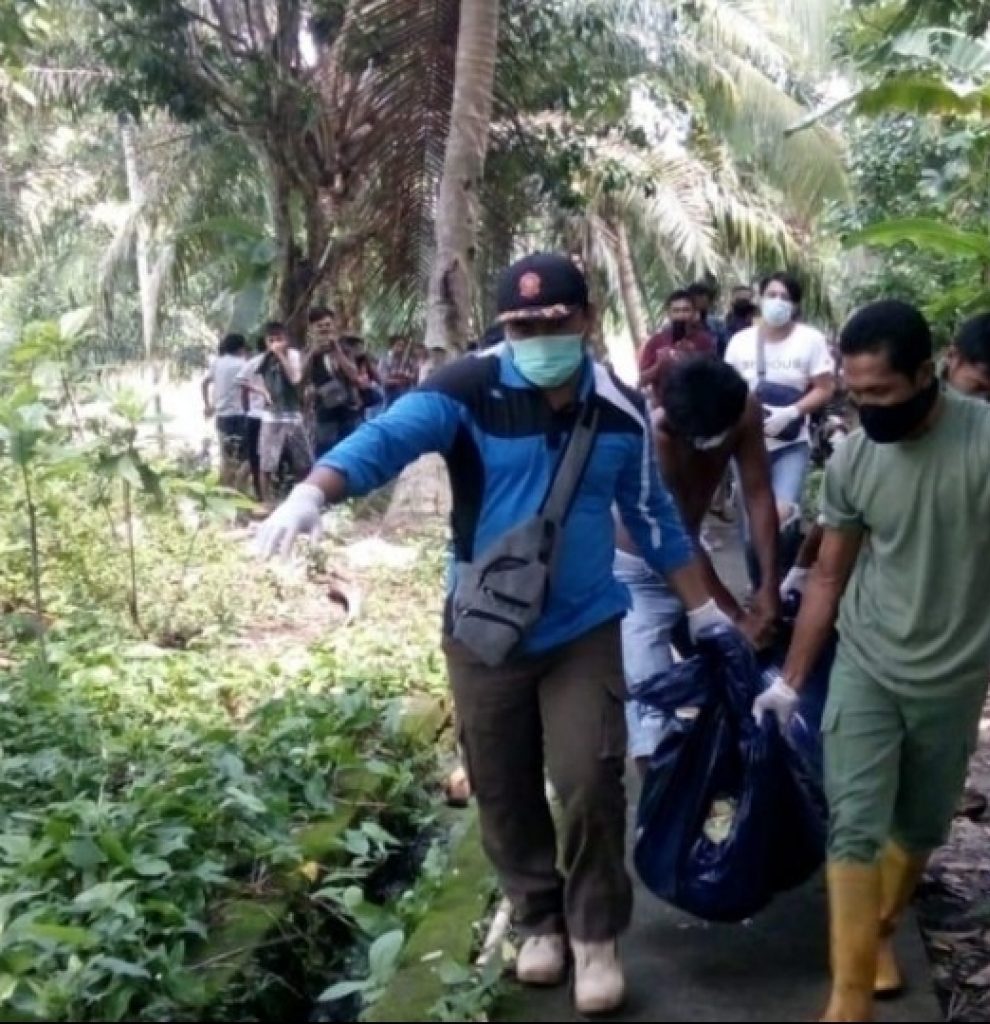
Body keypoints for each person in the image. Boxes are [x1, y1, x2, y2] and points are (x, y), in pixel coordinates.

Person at [254, 252, 743, 1016]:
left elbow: (652, 517)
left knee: (589, 778)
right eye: (521, 324)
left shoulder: (614, 407)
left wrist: (706, 610)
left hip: (583, 624)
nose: (538, 334)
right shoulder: (466, 390)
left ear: (584, 319)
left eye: (553, 322)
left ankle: (595, 935)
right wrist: (311, 493)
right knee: (503, 783)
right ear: (502, 326)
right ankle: (537, 920)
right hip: (484, 627)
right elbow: (384, 440)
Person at [754, 300, 990, 1023]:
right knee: (854, 824)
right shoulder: (854, 460)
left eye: (882, 392)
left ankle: (877, 933)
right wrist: (792, 681)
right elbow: (831, 577)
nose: (867, 407)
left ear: (928, 373)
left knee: (921, 827)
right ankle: (847, 1003)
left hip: (954, 676)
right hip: (869, 664)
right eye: (855, 392)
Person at [782, 308, 990, 599]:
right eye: (977, 387)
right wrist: (801, 570)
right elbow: (832, 537)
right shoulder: (886, 419)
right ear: (951, 358)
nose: (983, 402)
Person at [614, 357, 780, 769]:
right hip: (639, 572)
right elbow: (677, 536)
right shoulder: (658, 435)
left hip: (690, 561)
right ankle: (660, 809)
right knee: (650, 706)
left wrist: (769, 586)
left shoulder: (744, 411)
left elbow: (758, 494)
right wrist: (734, 613)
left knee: (744, 675)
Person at [725, 272, 835, 584]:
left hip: (790, 444)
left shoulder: (810, 340)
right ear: (760, 299)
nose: (777, 302)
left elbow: (825, 388)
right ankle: (761, 592)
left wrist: (792, 411)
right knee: (752, 530)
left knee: (782, 518)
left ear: (795, 305)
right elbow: (726, 388)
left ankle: (782, 586)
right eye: (771, 294)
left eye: (785, 297)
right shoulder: (740, 342)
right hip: (747, 447)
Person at [250, 321, 311, 501]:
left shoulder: (293, 356)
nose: (276, 343)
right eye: (272, 340)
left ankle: (302, 498)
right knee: (267, 463)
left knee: (302, 461)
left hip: (292, 415)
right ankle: (266, 501)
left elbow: (295, 379)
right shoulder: (263, 359)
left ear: (287, 340)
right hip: (272, 416)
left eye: (280, 339)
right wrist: (263, 392)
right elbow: (246, 379)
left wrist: (281, 356)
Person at [303, 309, 365, 457]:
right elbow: (299, 377)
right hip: (323, 411)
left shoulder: (345, 349)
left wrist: (337, 350)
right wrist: (313, 353)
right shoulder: (308, 351)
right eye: (320, 325)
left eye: (328, 324)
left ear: (334, 325)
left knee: (351, 450)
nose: (324, 328)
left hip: (348, 409)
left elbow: (354, 375)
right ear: (312, 328)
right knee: (326, 451)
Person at [639, 290, 716, 400]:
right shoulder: (655, 341)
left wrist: (693, 357)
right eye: (676, 311)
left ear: (694, 313)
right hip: (666, 407)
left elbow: (714, 376)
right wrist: (660, 364)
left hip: (699, 404)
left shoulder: (705, 340)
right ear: (669, 314)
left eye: (686, 310)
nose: (681, 315)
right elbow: (642, 381)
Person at [202, 334, 249, 486]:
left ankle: (225, 491)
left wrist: (208, 404)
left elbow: (204, 383)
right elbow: (247, 390)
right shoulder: (243, 364)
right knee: (245, 457)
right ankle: (238, 489)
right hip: (240, 415)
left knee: (225, 458)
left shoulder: (217, 363)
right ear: (240, 348)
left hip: (222, 416)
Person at [237, 338, 267, 500]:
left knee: (255, 458)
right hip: (270, 416)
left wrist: (246, 409)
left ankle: (260, 494)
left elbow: (243, 389)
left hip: (254, 415)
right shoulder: (281, 361)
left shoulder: (251, 364)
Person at [689, 281, 728, 356]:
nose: (700, 301)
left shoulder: (717, 324)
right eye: (698, 297)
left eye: (704, 298)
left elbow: (724, 348)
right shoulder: (677, 323)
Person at [380, 335, 417, 407]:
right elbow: (384, 380)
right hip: (390, 393)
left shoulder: (408, 361)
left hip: (405, 394)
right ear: (392, 346)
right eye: (398, 345)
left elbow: (414, 377)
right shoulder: (385, 360)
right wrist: (400, 378)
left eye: (403, 346)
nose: (401, 348)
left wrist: (408, 376)